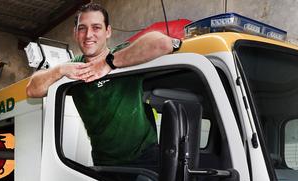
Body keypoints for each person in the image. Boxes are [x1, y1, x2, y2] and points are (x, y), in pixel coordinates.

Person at [26, 2, 183, 168]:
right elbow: (32, 89)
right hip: (104, 163)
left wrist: (110, 62)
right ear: (75, 33)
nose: (88, 35)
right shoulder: (73, 68)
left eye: (96, 27)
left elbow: (162, 44)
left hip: (144, 157)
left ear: (108, 31)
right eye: (82, 28)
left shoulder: (125, 54)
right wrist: (60, 69)